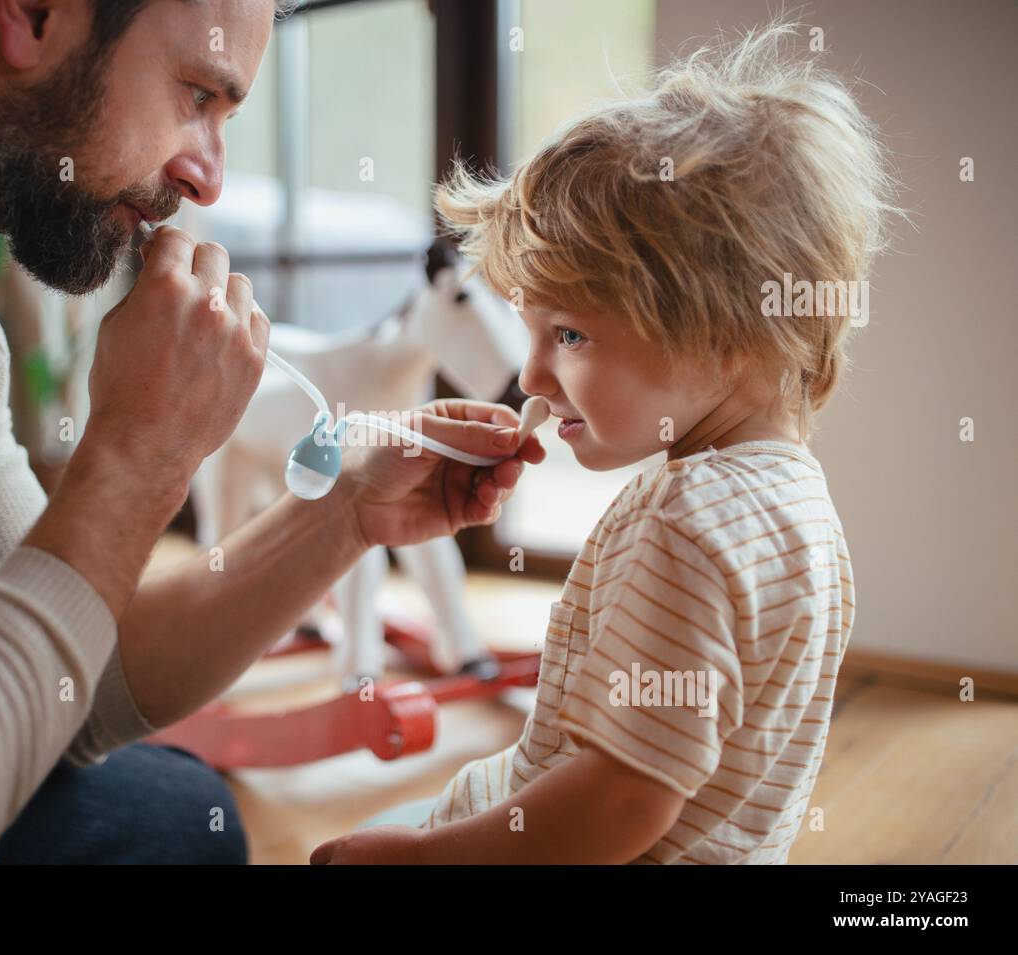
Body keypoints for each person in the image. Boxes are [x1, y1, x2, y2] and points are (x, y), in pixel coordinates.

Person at [0, 0, 543, 863]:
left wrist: (349, 511)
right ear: (34, 14)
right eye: (196, 96)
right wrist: (140, 449)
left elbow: (78, 683)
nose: (208, 180)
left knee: (174, 810)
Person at [313, 22, 897, 864]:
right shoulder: (801, 501)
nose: (533, 377)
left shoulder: (685, 523)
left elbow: (620, 801)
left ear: (726, 332)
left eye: (571, 335)